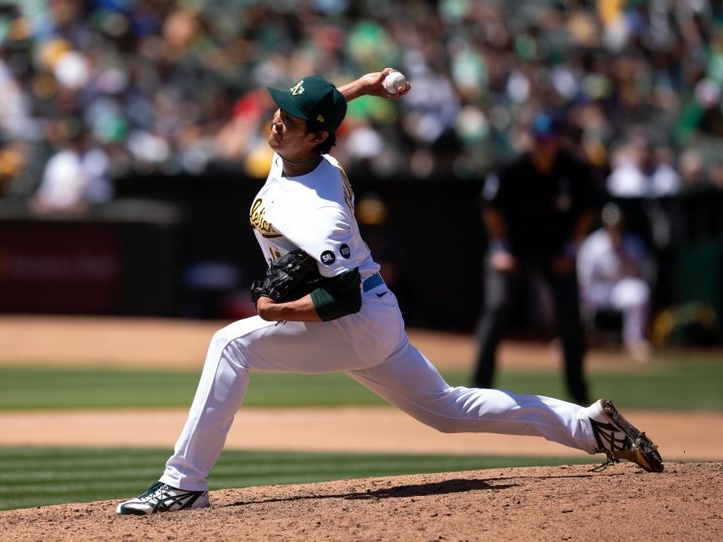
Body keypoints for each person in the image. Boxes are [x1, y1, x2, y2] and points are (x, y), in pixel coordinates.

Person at [116, 72, 662, 516]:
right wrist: (363, 86)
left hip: (354, 318)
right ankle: (591, 427)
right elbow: (323, 105)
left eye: (293, 118)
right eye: (282, 109)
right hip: (378, 317)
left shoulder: (318, 209)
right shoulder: (312, 152)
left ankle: (182, 483)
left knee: (231, 344)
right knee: (448, 409)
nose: (278, 120)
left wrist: (276, 309)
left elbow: (343, 296)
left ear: (318, 137)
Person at [472, 113, 598, 406]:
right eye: (538, 140)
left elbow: (587, 209)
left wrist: (571, 247)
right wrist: (499, 247)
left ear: (559, 141)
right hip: (513, 250)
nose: (542, 146)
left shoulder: (575, 169)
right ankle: (479, 390)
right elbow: (489, 207)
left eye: (548, 140)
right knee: (497, 306)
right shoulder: (512, 168)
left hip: (556, 252)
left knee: (570, 320)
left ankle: (580, 398)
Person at [578, 202, 654, 362]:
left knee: (639, 292)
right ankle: (577, 338)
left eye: (617, 225)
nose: (614, 229)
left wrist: (624, 255)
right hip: (598, 289)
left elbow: (640, 274)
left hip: (620, 287)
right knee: (575, 293)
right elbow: (583, 277)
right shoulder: (593, 244)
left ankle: (634, 341)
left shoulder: (632, 243)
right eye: (611, 225)